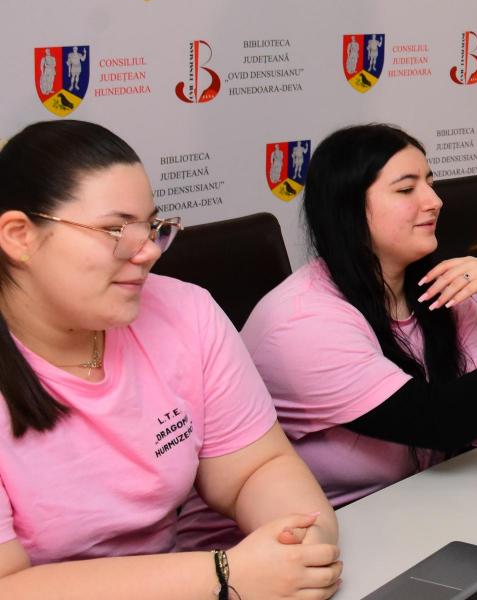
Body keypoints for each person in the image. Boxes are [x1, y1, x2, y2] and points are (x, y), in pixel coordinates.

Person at [180, 123, 477, 540]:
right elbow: (439, 420)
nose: (434, 201)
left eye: (430, 183)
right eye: (406, 189)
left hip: (404, 514)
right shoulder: (304, 320)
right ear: (349, 208)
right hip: (277, 548)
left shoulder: (438, 287)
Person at [0, 119, 340, 599]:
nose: (147, 253)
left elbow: (256, 468)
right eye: (116, 229)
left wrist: (300, 543)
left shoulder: (185, 310)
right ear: (19, 236)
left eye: (152, 228)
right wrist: (223, 575)